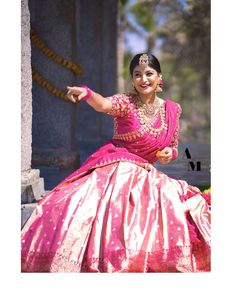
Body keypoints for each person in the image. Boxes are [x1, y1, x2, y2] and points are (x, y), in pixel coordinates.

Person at [21, 53, 211, 272]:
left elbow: (174, 146)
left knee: (174, 200)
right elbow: (102, 105)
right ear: (132, 80)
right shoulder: (125, 103)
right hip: (117, 168)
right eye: (137, 75)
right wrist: (87, 93)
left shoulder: (172, 109)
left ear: (160, 77)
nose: (143, 79)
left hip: (146, 172)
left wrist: (170, 153)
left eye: (149, 73)